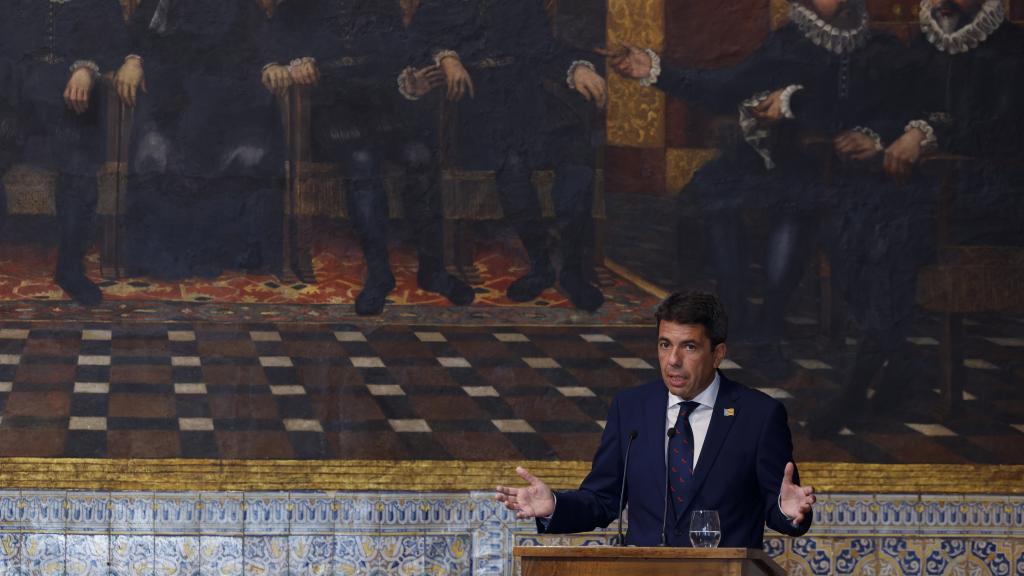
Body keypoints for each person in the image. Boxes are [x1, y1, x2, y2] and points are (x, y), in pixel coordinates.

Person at [605, 0, 904, 372]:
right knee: (719, 197)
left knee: (794, 209)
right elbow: (727, 87)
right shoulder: (787, 40)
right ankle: (737, 319)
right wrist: (655, 69)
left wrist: (796, 102)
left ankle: (770, 324)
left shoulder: (881, 47)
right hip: (776, 157)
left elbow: (872, 108)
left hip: (835, 168)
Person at [810, 0, 1024, 432]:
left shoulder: (1014, 48)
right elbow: (899, 112)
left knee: (892, 236)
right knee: (843, 224)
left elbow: (1006, 132)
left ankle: (857, 385)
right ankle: (898, 354)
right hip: (930, 189)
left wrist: (928, 134)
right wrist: (878, 139)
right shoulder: (923, 47)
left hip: (995, 194)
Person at [495, 291, 815, 548]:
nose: (673, 360)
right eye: (665, 345)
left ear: (717, 353)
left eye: (688, 347)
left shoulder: (758, 415)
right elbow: (603, 499)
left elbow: (781, 506)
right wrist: (554, 505)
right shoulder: (631, 408)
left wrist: (789, 512)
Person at [275, 0, 475, 316]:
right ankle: (380, 273)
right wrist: (291, 66)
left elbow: (400, 54)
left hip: (384, 109)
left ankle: (433, 269)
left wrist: (411, 83)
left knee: (419, 155)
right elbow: (275, 47)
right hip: (332, 114)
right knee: (361, 159)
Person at [406, 0, 606, 311]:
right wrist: (444, 56)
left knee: (576, 153)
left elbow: (546, 49)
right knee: (511, 161)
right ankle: (541, 264)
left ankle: (572, 270)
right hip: (471, 107)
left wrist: (577, 67)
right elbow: (413, 43)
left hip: (527, 101)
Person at [120, 0, 285, 280]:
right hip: (171, 95)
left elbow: (259, 34)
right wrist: (133, 58)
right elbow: (139, 31)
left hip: (227, 94)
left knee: (238, 143)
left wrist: (270, 63)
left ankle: (219, 250)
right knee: (157, 148)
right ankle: (168, 253)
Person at [0, 0, 129, 305]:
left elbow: (115, 41)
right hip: (12, 93)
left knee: (78, 165)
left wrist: (86, 67)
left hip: (72, 96)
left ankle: (70, 268)